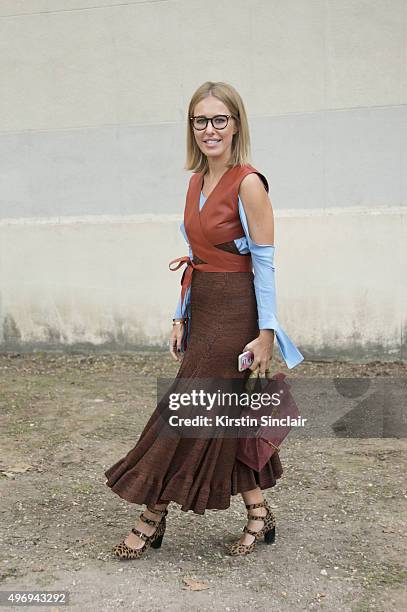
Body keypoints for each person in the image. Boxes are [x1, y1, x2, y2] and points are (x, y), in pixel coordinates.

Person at [104, 81, 304, 558]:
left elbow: (265, 262)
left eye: (219, 119)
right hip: (204, 305)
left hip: (237, 310)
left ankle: (151, 516)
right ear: (191, 129)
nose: (209, 129)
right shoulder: (195, 182)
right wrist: (180, 317)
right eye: (200, 121)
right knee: (218, 414)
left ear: (236, 125)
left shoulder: (249, 182)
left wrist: (267, 332)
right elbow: (195, 256)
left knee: (186, 408)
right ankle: (258, 511)